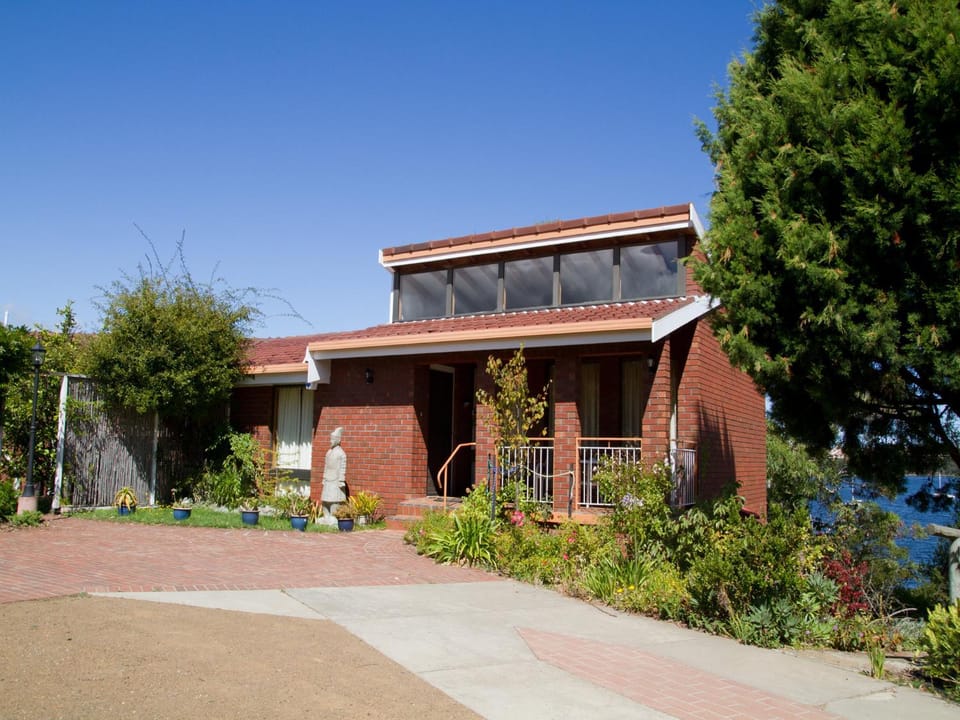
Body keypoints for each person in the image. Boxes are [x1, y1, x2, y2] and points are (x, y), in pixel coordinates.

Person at [320, 427, 347, 522]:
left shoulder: (341, 454)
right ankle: (326, 516)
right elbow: (326, 466)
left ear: (338, 440)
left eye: (332, 439)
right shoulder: (328, 452)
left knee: (334, 500)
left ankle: (333, 516)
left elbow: (342, 468)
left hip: (336, 480)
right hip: (328, 478)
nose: (330, 441)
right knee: (325, 499)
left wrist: (341, 480)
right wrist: (324, 478)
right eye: (330, 439)